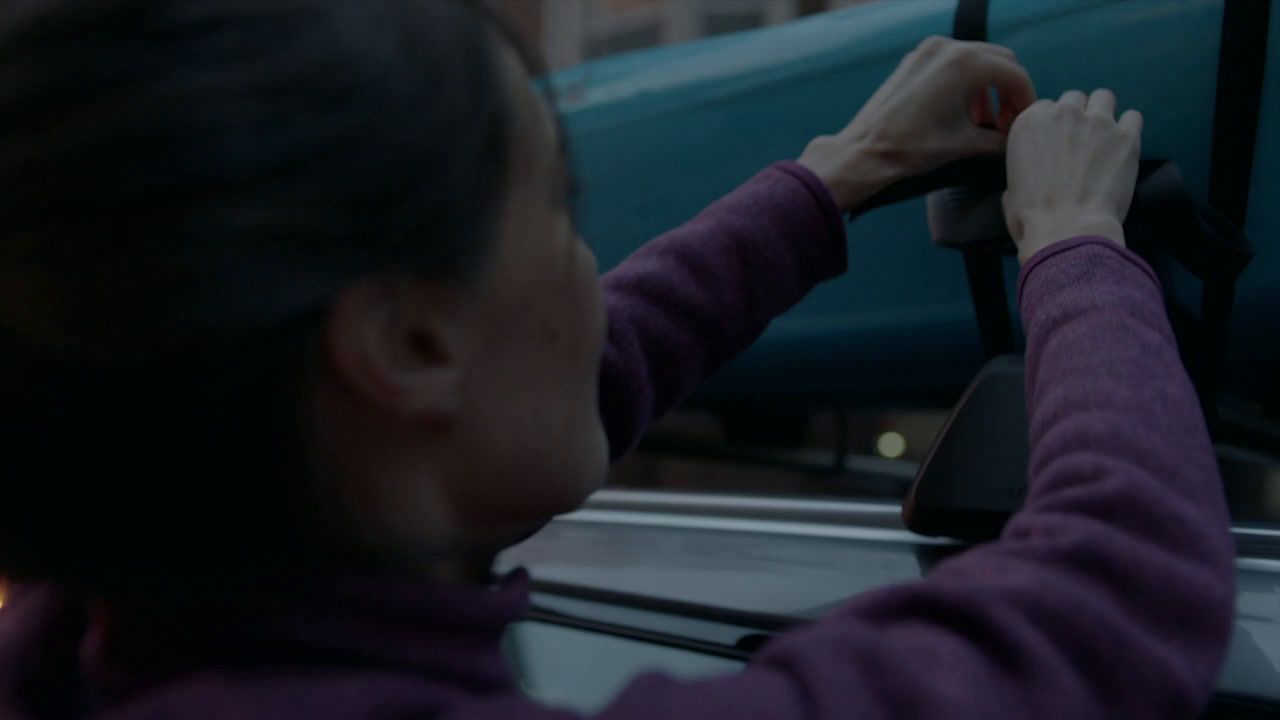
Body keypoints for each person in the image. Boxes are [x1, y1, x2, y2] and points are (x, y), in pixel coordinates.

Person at [0, 1, 1233, 718]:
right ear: (409, 341)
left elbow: (510, 400)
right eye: (557, 206)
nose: (594, 270)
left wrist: (830, 179)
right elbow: (1119, 584)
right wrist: (1074, 242)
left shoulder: (99, 635)